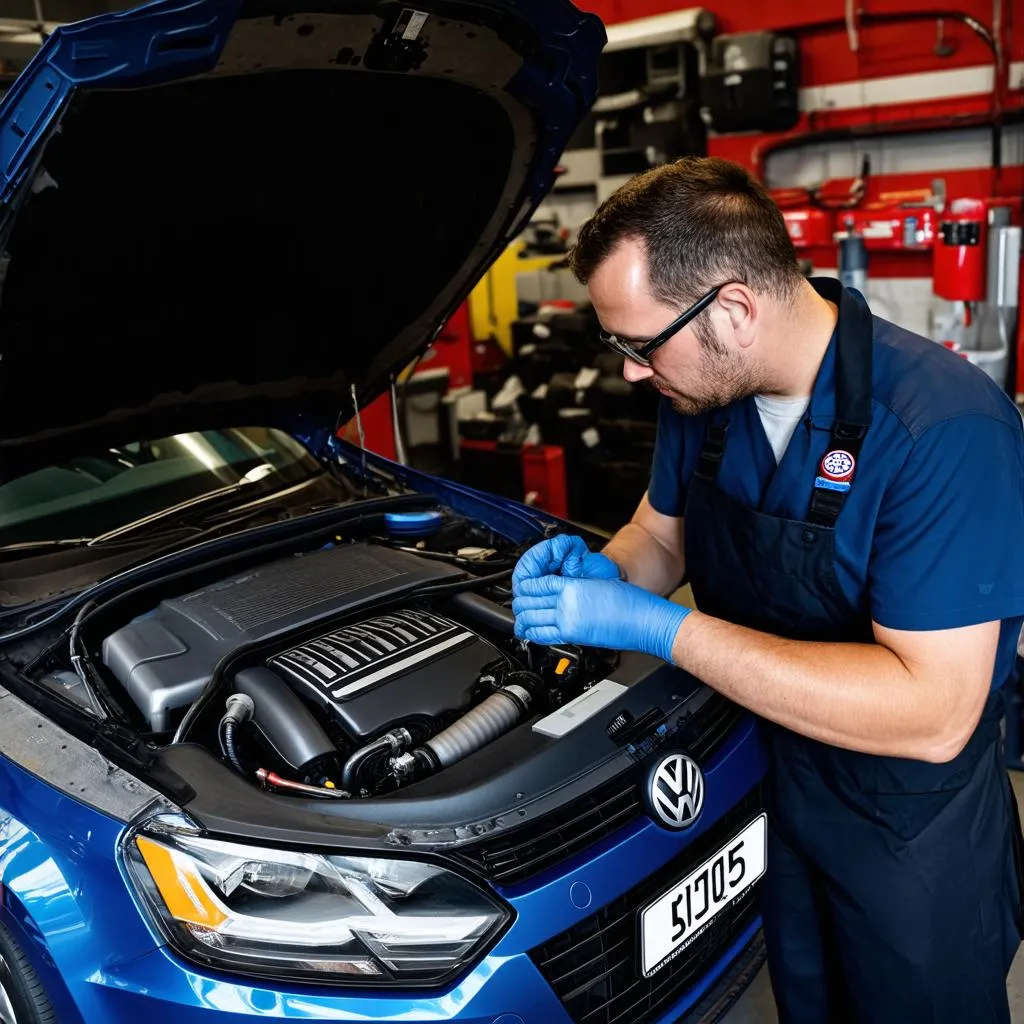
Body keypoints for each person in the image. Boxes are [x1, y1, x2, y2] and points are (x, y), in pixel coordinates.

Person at [511, 156, 1024, 1023]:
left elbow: (934, 714)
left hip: (909, 838)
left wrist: (661, 630)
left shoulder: (945, 429)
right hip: (768, 790)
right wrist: (608, 572)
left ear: (736, 309)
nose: (632, 372)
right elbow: (659, 534)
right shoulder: (702, 394)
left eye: (641, 345)